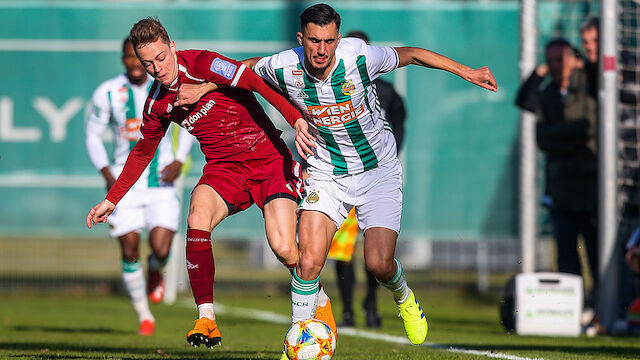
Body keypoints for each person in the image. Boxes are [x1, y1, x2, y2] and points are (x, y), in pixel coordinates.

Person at [250, 3, 496, 347]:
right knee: (308, 262)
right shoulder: (284, 64)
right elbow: (242, 71)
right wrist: (199, 86)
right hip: (326, 173)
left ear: (338, 38)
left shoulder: (358, 56)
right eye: (314, 40)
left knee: (379, 263)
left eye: (329, 41)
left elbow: (411, 54)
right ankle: (298, 340)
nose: (322, 50)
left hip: (376, 172)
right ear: (301, 38)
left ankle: (404, 297)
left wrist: (466, 72)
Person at [86, 17, 335, 350]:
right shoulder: (158, 104)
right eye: (148, 64)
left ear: (172, 47)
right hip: (224, 170)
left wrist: (296, 120)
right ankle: (206, 318)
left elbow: (253, 82)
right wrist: (112, 199)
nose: (158, 68)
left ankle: (318, 299)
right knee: (196, 216)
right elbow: (143, 151)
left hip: (269, 161)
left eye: (161, 58)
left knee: (284, 248)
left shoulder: (203, 62)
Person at [85, 36, 194, 336]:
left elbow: (189, 120)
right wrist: (107, 172)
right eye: (130, 58)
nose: (136, 64)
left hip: (161, 182)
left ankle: (156, 266)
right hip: (126, 185)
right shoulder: (107, 93)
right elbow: (92, 136)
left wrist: (180, 159)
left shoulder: (166, 85)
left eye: (140, 59)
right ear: (124, 59)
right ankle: (144, 315)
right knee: (129, 247)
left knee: (161, 247)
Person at [326, 29, 407, 329]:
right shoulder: (329, 85)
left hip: (375, 180)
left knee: (377, 257)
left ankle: (372, 305)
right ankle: (347, 311)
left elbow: (398, 127)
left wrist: (383, 160)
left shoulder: (386, 92)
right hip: (341, 180)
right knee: (343, 251)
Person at [526, 38, 599, 310]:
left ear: (572, 58)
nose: (556, 66)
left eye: (560, 59)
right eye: (551, 61)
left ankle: (602, 308)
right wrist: (574, 135)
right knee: (566, 255)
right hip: (561, 190)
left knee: (597, 252)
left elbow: (590, 126)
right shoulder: (547, 95)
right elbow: (543, 139)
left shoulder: (589, 85)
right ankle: (574, 311)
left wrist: (564, 135)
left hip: (591, 190)